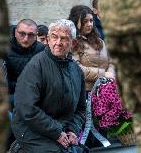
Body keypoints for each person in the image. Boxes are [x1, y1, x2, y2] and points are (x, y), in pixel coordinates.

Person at [11, 19, 86, 153]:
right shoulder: (35, 66)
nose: (58, 43)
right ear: (48, 40)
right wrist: (56, 132)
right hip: (30, 129)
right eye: (54, 37)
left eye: (64, 38)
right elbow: (26, 108)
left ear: (73, 43)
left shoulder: (76, 71)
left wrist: (72, 130)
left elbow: (80, 109)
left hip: (60, 128)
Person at [2, 19, 45, 151]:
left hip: (35, 97)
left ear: (36, 35)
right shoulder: (4, 49)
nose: (26, 38)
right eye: (22, 34)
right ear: (15, 32)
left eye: (31, 35)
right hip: (12, 97)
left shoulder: (42, 50)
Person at [68, 5, 115, 92]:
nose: (89, 24)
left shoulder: (100, 40)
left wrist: (110, 73)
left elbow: (111, 60)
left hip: (105, 90)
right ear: (76, 22)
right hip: (85, 92)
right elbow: (77, 68)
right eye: (85, 21)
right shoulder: (72, 42)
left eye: (91, 20)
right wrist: (103, 74)